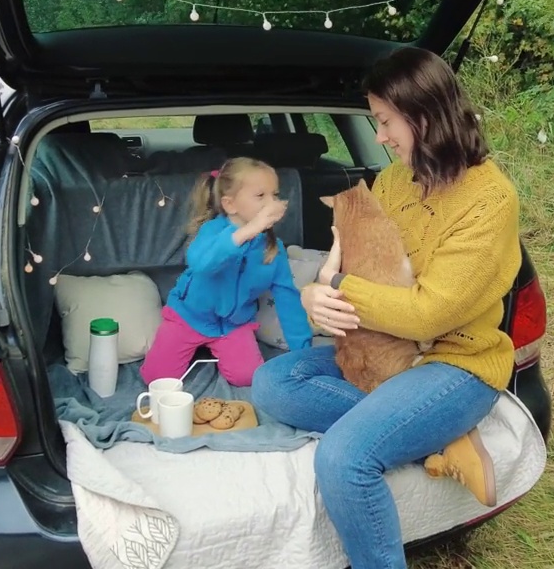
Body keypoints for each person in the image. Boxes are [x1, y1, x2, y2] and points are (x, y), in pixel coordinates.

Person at [251, 47, 524, 569]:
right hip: (386, 354)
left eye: (383, 121)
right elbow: (352, 263)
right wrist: (314, 296)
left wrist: (337, 283)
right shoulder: (394, 180)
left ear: (423, 113)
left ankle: (430, 426)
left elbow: (428, 315)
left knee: (344, 457)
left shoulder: (491, 201)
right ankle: (438, 438)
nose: (379, 137)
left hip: (456, 363)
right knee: (271, 384)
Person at [141, 157, 312, 387]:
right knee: (156, 379)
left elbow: (288, 299)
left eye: (275, 194)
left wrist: (302, 352)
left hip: (233, 325)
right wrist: (248, 231)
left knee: (248, 377)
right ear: (230, 205)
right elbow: (202, 263)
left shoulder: (273, 249)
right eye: (261, 196)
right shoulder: (212, 231)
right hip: (189, 317)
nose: (272, 203)